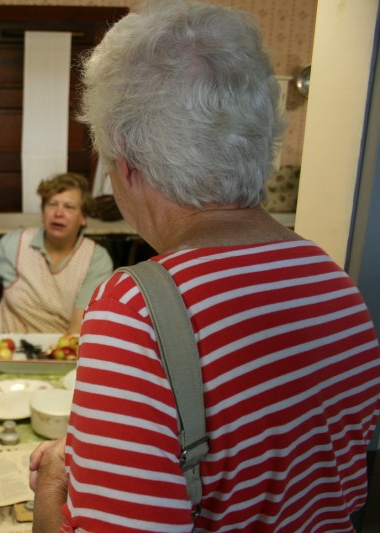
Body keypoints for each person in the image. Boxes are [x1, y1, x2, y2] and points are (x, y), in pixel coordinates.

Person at [29, 1, 380, 532]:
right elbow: (335, 490)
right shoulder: (332, 284)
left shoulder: (134, 311)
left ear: (125, 159)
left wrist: (55, 479)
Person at [0, 172, 113, 335]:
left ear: (83, 218)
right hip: (3, 348)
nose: (58, 213)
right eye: (52, 204)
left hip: (58, 353)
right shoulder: (17, 243)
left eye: (69, 207)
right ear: (42, 213)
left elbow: (78, 328)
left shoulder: (95, 259)